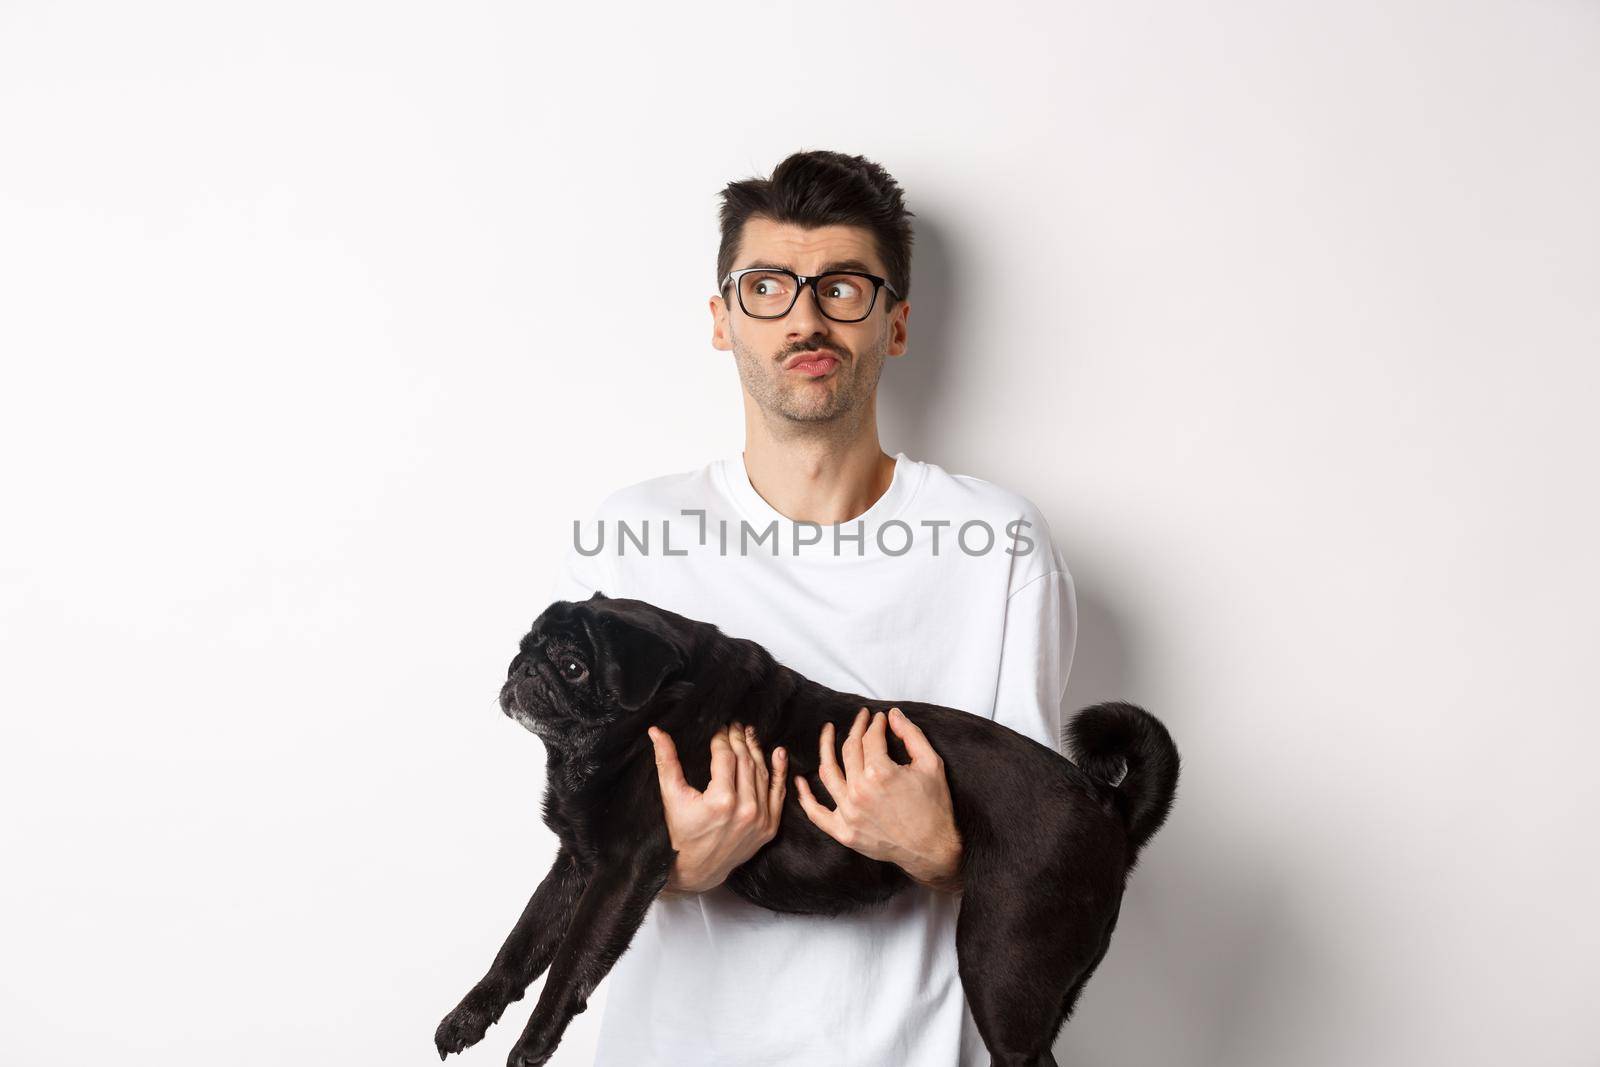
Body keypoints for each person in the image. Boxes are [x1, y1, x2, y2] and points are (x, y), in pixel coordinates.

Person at [548, 149, 1078, 1066]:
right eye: (767, 287)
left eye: (841, 287)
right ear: (722, 320)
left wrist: (944, 848)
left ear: (896, 322)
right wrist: (673, 868)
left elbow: (1049, 850)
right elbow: (577, 836)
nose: (803, 316)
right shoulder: (633, 537)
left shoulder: (996, 543)